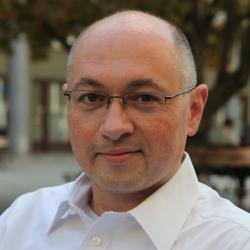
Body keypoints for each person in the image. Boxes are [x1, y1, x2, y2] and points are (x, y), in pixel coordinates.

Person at [1, 10, 250, 250]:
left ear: (194, 111)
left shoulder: (236, 241)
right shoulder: (20, 222)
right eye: (91, 98)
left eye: (144, 98)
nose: (114, 127)